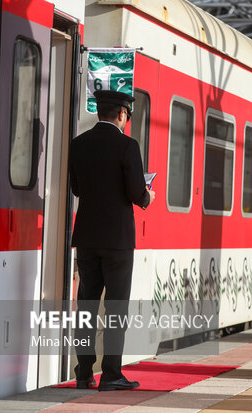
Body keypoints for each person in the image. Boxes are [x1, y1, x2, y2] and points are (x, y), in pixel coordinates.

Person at [69, 90, 155, 391]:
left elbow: (77, 189)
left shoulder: (77, 144)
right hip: (118, 240)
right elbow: (135, 192)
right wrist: (148, 197)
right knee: (116, 308)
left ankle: (83, 373)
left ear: (99, 112)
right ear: (122, 114)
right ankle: (111, 374)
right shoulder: (127, 146)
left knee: (87, 305)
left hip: (87, 238)